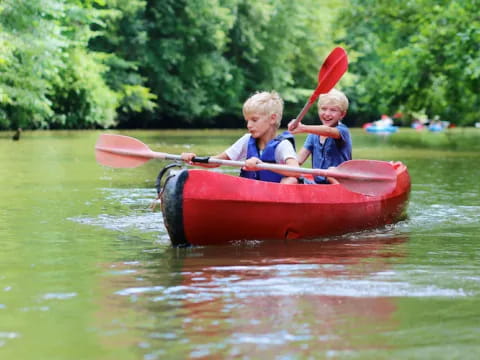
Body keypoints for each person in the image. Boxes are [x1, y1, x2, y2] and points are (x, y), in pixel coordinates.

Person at [181, 91, 300, 184]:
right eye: (247, 121)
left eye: (254, 120)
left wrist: (261, 164)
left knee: (291, 180)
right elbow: (217, 162)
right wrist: (194, 159)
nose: (249, 125)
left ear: (272, 118)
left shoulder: (282, 145)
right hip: (252, 192)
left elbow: (296, 170)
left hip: (276, 193)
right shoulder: (247, 140)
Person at [288, 88, 352, 184]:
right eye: (323, 109)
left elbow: (328, 131)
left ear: (342, 114)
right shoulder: (313, 135)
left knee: (331, 172)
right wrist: (283, 165)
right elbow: (299, 160)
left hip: (340, 184)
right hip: (317, 185)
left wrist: (303, 128)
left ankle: (343, 196)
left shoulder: (343, 131)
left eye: (333, 110)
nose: (327, 114)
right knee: (290, 179)